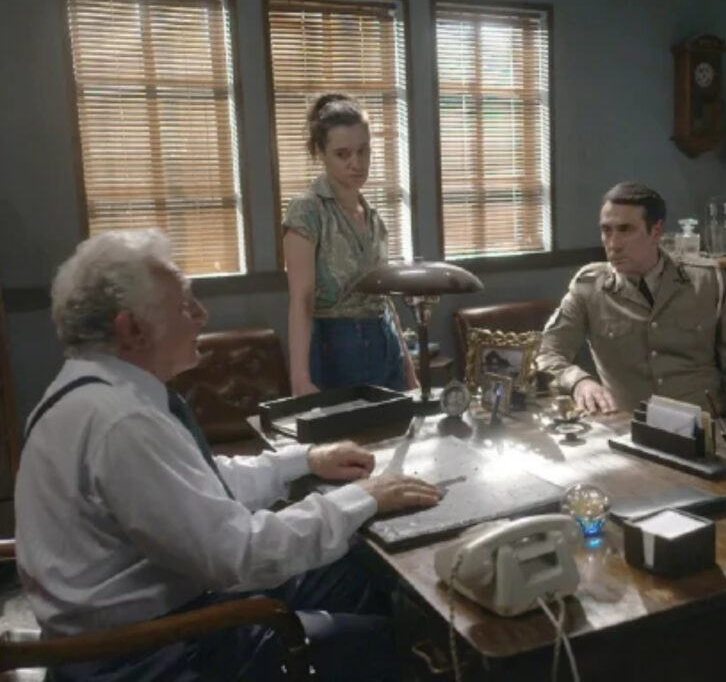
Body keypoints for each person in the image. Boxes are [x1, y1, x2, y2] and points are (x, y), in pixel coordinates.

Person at [15, 229, 442, 681]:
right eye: (185, 305)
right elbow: (240, 556)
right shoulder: (121, 422)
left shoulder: (89, 393)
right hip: (149, 654)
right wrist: (363, 497)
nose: (202, 315)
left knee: (356, 571)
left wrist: (304, 459)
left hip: (154, 616)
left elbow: (197, 485)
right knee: (399, 644)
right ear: (131, 328)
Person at [536, 181, 726, 454]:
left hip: (708, 433)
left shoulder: (707, 281)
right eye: (606, 230)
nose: (613, 244)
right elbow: (547, 354)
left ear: (656, 231)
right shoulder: (589, 287)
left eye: (626, 230)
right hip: (631, 434)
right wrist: (578, 381)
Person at [283, 93, 417, 396]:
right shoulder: (307, 209)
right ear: (321, 152)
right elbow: (301, 299)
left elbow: (384, 299)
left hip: (385, 342)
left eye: (363, 151)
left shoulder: (373, 217)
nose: (356, 163)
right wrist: (300, 378)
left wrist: (409, 371)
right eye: (342, 154)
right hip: (336, 347)